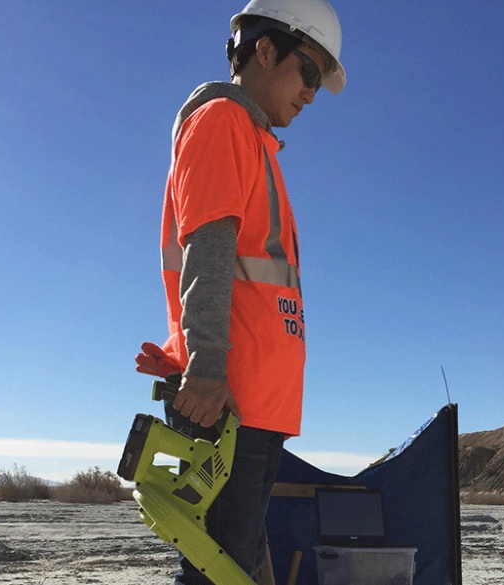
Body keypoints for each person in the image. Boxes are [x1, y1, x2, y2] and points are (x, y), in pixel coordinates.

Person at [134, 0, 347, 583]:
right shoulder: (224, 121)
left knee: (237, 563)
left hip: (255, 399)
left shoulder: (255, 142)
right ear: (265, 48)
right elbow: (209, 247)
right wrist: (204, 365)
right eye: (309, 71)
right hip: (228, 398)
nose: (311, 94)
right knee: (216, 570)